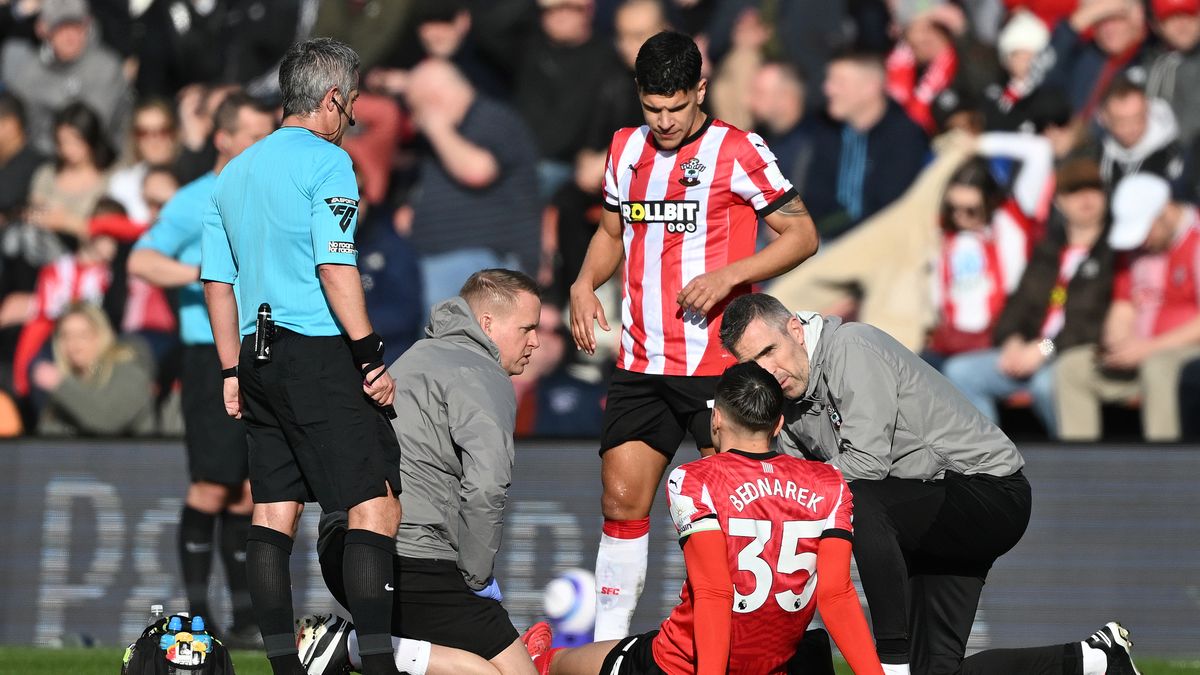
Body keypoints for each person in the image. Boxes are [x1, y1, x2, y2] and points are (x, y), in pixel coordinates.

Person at [718, 292, 1142, 675]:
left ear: (795, 327)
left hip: (987, 491)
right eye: (753, 364)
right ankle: (1094, 659)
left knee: (860, 500)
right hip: (923, 512)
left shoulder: (850, 346)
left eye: (770, 351)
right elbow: (795, 491)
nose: (768, 371)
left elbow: (865, 464)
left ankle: (891, 662)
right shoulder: (787, 402)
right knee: (937, 672)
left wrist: (779, 486)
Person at [568, 30, 819, 641]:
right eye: (653, 108)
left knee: (731, 509)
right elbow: (610, 233)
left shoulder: (738, 149)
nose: (664, 121)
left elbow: (802, 234)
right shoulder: (625, 149)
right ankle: (608, 646)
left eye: (676, 108)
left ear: (700, 90)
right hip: (640, 362)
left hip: (715, 366)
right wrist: (581, 283)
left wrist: (731, 275)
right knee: (621, 503)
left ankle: (743, 638)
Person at [200, 38, 402, 675]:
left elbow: (217, 281)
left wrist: (231, 369)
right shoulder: (328, 164)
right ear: (333, 99)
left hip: (257, 359)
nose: (351, 120)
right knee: (375, 501)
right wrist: (370, 355)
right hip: (316, 350)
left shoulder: (233, 172)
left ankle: (283, 667)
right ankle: (377, 664)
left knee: (272, 510)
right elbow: (334, 265)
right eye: (351, 106)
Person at [521, 361, 885, 675]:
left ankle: (535, 660)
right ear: (778, 425)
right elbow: (836, 594)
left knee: (564, 664)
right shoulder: (829, 482)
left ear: (716, 418)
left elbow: (714, 591)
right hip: (771, 664)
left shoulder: (696, 479)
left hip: (685, 662)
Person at [295, 269, 543, 675]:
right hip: (407, 556)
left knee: (470, 666)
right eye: (527, 328)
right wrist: (478, 579)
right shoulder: (482, 373)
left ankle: (360, 644)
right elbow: (486, 488)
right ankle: (349, 646)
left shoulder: (415, 355)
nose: (535, 340)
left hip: (348, 549)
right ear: (487, 325)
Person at [129, 90, 276, 648]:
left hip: (255, 353)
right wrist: (201, 271)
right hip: (207, 357)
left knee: (244, 489)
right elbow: (141, 258)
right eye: (255, 136)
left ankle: (240, 618)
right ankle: (195, 614)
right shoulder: (196, 200)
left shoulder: (262, 195)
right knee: (211, 485)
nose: (264, 146)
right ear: (224, 138)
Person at [943, 159, 1115, 436]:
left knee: (1047, 384)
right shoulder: (1048, 251)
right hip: (1030, 352)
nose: (1085, 198)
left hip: (1072, 355)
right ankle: (993, 466)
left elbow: (1093, 322)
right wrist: (1012, 340)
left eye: (1093, 189)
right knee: (961, 372)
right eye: (1074, 190)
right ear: (1059, 200)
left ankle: (1072, 467)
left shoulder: (1113, 252)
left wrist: (1044, 348)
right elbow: (1017, 305)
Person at [1055, 173, 1200, 441]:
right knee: (1071, 367)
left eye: (1145, 230)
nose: (1142, 241)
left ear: (1165, 212)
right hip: (1131, 351)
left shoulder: (1195, 239)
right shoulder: (1134, 248)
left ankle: (1165, 470)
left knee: (1159, 368)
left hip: (1182, 354)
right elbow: (1123, 303)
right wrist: (1117, 339)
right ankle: (1080, 469)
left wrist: (1148, 348)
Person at [401, 59, 542, 315]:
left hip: (481, 259)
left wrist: (436, 126)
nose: (413, 120)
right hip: (436, 255)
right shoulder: (446, 137)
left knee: (447, 340)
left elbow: (477, 171)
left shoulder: (493, 119)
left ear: (434, 99)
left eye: (416, 107)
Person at [923, 132, 1055, 369]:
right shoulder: (940, 230)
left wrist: (979, 144)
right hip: (949, 342)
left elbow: (1041, 150)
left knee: (961, 373)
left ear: (991, 201)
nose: (960, 217)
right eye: (953, 208)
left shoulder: (1012, 219)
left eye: (971, 210)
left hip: (1003, 341)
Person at [804, 51, 929, 240]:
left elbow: (890, 208)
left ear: (870, 87)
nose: (828, 89)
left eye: (839, 82)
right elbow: (815, 196)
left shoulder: (905, 136)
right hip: (824, 242)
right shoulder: (826, 131)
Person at [0, 0, 131, 155]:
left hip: (98, 159)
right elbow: (21, 124)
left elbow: (90, 129)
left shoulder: (106, 67)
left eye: (76, 26)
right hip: (41, 158)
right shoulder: (30, 70)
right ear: (43, 29)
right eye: (60, 27)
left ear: (87, 26)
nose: (70, 35)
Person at [34, 301, 155, 436]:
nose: (73, 343)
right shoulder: (73, 377)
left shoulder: (127, 368)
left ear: (101, 335)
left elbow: (108, 420)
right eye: (65, 335)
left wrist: (61, 385)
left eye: (83, 335)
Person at [27, 102, 117, 244]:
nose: (68, 150)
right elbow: (33, 212)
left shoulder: (110, 181)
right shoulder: (47, 174)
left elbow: (108, 229)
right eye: (62, 142)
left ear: (90, 138)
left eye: (76, 141)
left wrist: (67, 223)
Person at [1094, 75, 1187, 187]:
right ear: (1104, 118)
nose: (1132, 128)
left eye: (1138, 118)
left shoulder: (1172, 156)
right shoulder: (1096, 156)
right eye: (1122, 121)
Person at [108, 99, 182, 224]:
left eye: (162, 131)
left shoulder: (192, 178)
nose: (154, 141)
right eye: (143, 133)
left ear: (174, 134)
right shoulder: (122, 184)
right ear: (135, 139)